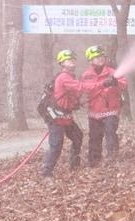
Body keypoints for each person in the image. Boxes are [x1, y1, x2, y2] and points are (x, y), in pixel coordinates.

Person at [40, 49, 100, 178]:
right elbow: (80, 87)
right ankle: (46, 172)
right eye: (68, 60)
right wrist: (101, 84)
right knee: (56, 144)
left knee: (77, 136)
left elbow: (72, 95)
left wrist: (76, 103)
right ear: (62, 63)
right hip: (57, 117)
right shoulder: (64, 77)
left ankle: (74, 165)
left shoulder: (70, 76)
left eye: (73, 59)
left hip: (65, 115)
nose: (72, 62)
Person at [81, 45, 127, 166]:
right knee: (94, 136)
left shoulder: (113, 72)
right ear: (91, 60)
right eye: (96, 57)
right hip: (94, 111)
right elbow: (87, 88)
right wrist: (103, 83)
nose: (100, 59)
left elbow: (123, 84)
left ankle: (112, 158)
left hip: (110, 110)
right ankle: (94, 161)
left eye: (101, 56)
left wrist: (116, 82)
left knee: (110, 133)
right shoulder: (86, 75)